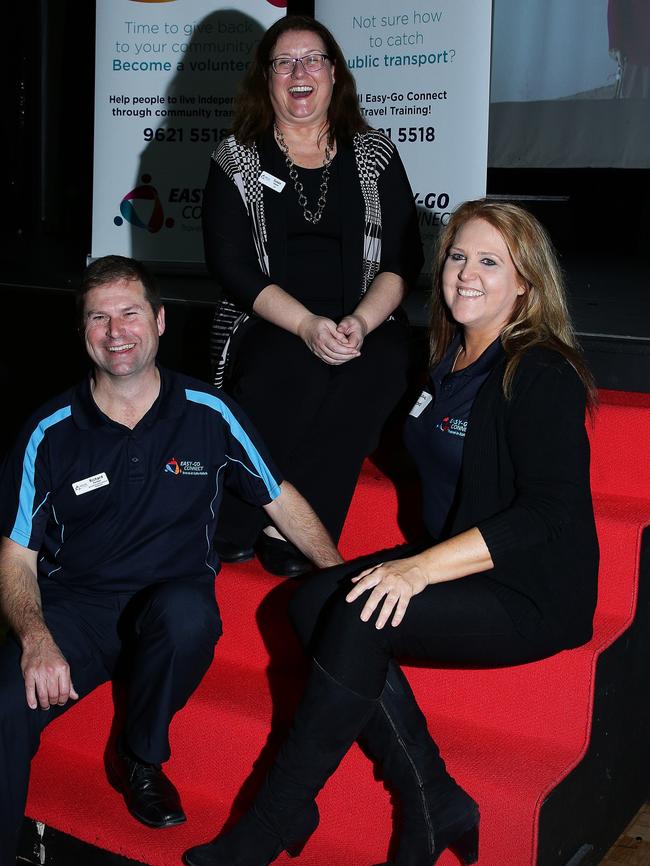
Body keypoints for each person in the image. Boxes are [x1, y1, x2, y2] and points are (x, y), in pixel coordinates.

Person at [183, 200, 600, 866]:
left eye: (491, 262)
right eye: (458, 256)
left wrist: (418, 570)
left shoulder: (541, 373)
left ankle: (270, 822)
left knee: (357, 616)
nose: (467, 273)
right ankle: (434, 798)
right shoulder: (453, 358)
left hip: (528, 586)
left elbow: (547, 515)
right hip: (460, 555)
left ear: (526, 282)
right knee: (309, 600)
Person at [0, 255, 342, 865]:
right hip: (76, 612)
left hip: (169, 609)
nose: (116, 331)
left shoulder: (209, 412)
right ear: (83, 332)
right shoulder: (47, 432)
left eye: (130, 313)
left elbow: (280, 500)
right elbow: (16, 555)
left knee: (189, 613)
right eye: (98, 318)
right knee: (1, 700)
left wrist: (340, 579)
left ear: (159, 321)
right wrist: (35, 638)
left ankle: (140, 754)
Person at [203, 14, 422, 577]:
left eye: (313, 59)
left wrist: (361, 324)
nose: (299, 72)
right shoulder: (237, 159)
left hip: (365, 319)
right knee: (292, 368)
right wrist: (305, 325)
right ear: (267, 78)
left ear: (333, 74)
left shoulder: (374, 154)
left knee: (376, 369)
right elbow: (230, 266)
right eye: (284, 62)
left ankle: (294, 525)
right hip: (269, 319)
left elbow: (404, 260)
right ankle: (237, 510)